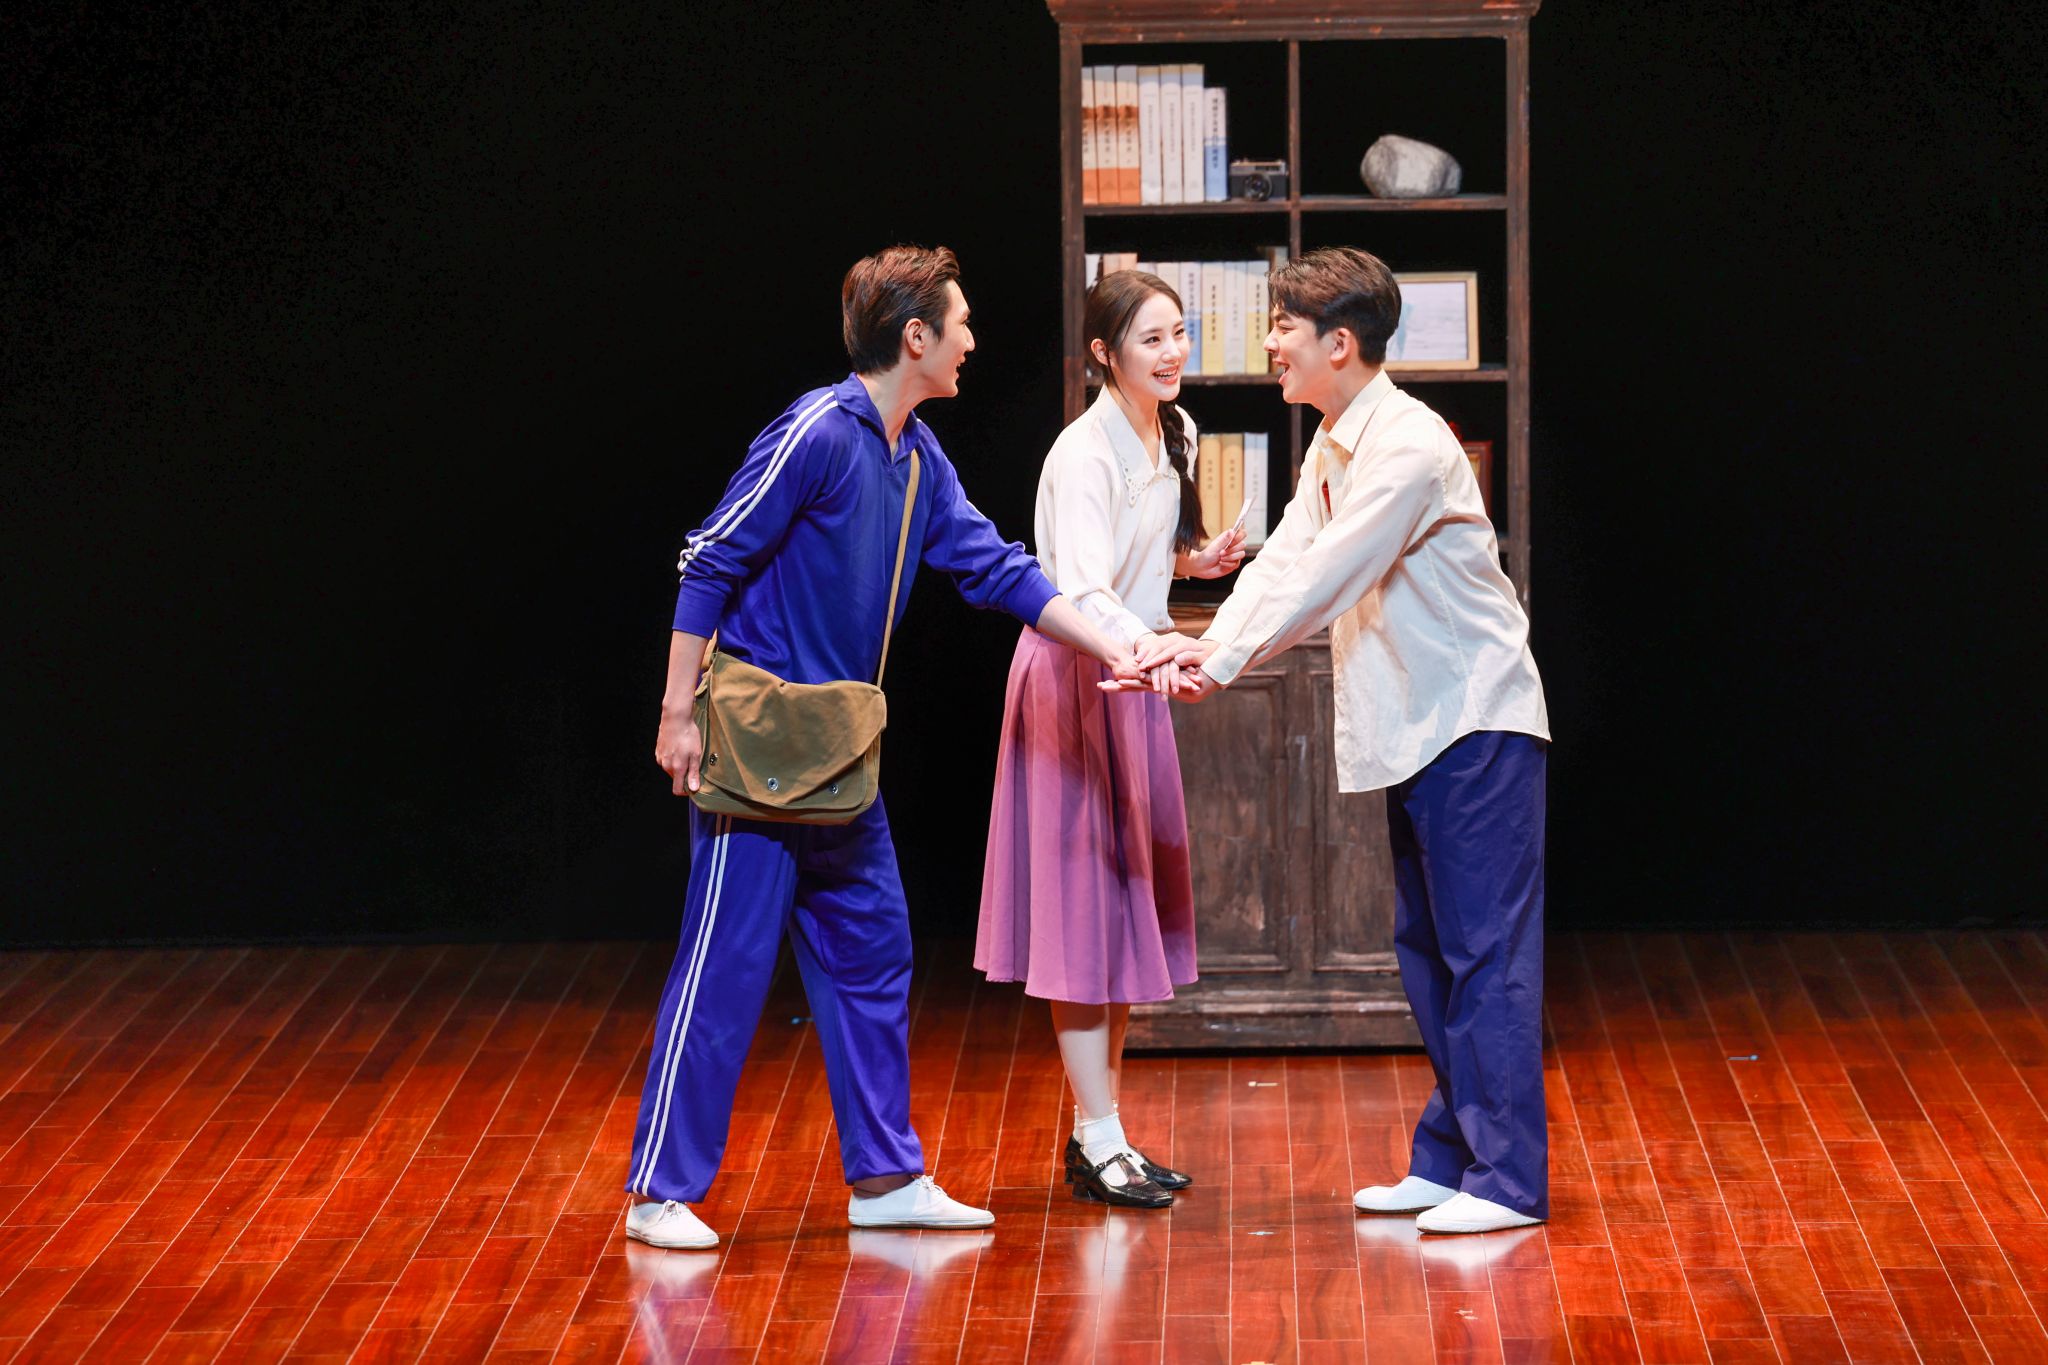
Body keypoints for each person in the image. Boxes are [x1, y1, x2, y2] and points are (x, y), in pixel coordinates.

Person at [629, 245, 1141, 1250]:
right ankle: (659, 1192)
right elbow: (709, 557)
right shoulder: (818, 431)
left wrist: (1113, 644)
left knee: (873, 952)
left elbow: (994, 568)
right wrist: (675, 713)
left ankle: (885, 1178)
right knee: (724, 967)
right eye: (960, 323)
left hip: (840, 757)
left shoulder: (917, 455)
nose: (971, 340)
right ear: (915, 337)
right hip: (760, 751)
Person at [1137, 247, 1551, 1235]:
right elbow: (1287, 561)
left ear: (1339, 342)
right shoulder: (1334, 441)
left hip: (1473, 721)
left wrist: (1218, 664)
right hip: (1421, 726)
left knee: (1483, 956)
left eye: (1284, 325)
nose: (1270, 342)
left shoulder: (1405, 445)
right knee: (1429, 952)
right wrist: (1200, 644)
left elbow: (1331, 573)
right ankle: (1451, 1161)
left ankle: (1506, 1183)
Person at [975, 270, 1244, 1209]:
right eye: (1151, 339)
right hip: (1081, 678)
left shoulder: (1176, 430)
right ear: (1103, 353)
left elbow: (1138, 557)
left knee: (1124, 916)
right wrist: (1151, 651)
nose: (1173, 353)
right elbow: (1082, 589)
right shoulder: (1079, 454)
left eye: (1180, 333)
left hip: (1134, 675)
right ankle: (1099, 1139)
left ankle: (1104, 1135)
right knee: (1084, 919)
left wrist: (1191, 565)